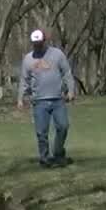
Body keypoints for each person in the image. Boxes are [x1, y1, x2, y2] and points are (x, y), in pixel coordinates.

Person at [17, 29, 76, 168]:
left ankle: (58, 153)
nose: (37, 46)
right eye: (34, 43)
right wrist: (20, 98)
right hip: (39, 101)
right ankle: (44, 158)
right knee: (41, 132)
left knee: (63, 126)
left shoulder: (57, 54)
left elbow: (67, 73)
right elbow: (24, 80)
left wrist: (71, 91)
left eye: (39, 43)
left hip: (57, 99)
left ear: (45, 41)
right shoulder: (28, 59)